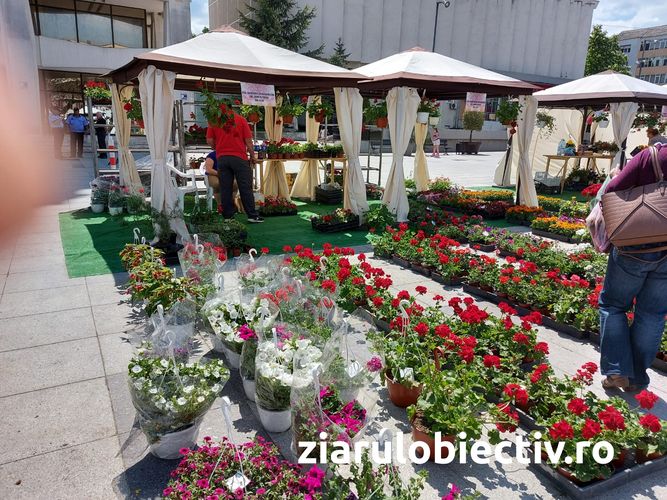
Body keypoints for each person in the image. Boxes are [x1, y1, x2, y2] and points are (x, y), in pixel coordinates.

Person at [598, 143, 667, 392]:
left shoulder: (652, 155)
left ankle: (617, 372)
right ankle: (636, 378)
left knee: (613, 306)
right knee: (653, 314)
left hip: (634, 244)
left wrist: (617, 176)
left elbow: (611, 192)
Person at [206, 111, 263, 223]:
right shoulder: (241, 120)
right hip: (239, 157)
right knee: (245, 186)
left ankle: (228, 216)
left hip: (222, 157)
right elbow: (248, 141)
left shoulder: (214, 120)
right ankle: (252, 215)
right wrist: (252, 156)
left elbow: (209, 140)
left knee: (225, 187)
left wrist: (217, 147)